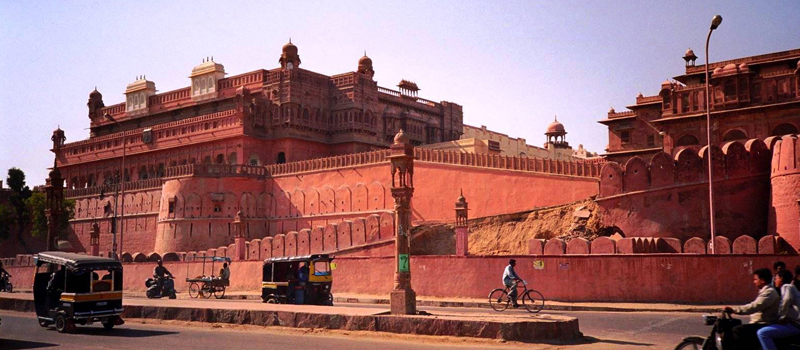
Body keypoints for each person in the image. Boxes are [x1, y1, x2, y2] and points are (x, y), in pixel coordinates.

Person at [724, 268, 781, 350]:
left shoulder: (769, 292)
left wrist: (734, 310)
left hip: (764, 323)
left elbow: (754, 306)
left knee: (737, 330)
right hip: (759, 323)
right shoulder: (765, 291)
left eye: (755, 279)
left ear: (762, 280)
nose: (754, 282)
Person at [757, 269, 800, 350]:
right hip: (794, 324)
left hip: (795, 325)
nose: (775, 281)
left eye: (776, 278)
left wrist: (781, 317)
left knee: (762, 333)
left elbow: (786, 300)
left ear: (781, 278)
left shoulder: (786, 286)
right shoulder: (791, 288)